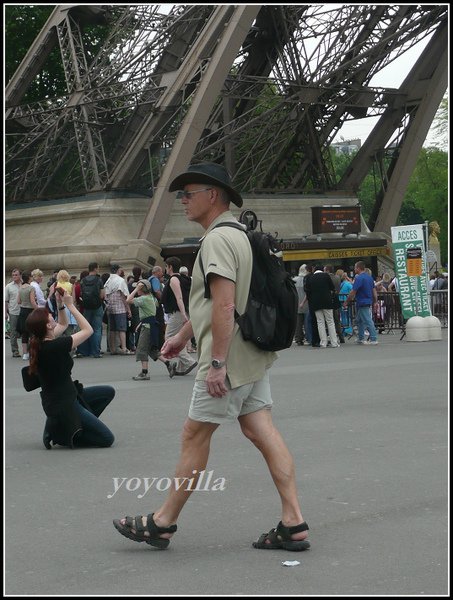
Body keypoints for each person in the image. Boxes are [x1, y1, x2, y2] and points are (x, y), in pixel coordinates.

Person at [113, 162, 310, 551]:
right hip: (251, 351)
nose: (183, 200)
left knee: (195, 433)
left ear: (213, 195)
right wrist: (184, 335)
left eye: (189, 193)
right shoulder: (240, 235)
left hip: (229, 357)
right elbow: (224, 302)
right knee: (260, 429)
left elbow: (223, 306)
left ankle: (162, 521)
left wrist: (216, 363)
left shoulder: (217, 240)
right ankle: (294, 520)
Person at [25, 289, 115, 449]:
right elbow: (88, 330)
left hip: (67, 395)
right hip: (63, 403)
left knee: (107, 392)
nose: (52, 316)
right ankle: (64, 433)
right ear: (47, 325)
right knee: (107, 439)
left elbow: (63, 324)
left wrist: (60, 306)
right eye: (49, 316)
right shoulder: (54, 346)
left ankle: (67, 425)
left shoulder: (39, 342)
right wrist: (71, 306)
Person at [127, 279, 175, 380]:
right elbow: (152, 310)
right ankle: (168, 363)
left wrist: (136, 289)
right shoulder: (152, 298)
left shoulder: (143, 299)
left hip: (147, 327)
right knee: (151, 349)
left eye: (139, 288)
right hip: (150, 324)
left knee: (141, 349)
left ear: (142, 289)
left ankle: (145, 373)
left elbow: (128, 300)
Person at [160, 256, 197, 376]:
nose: (165, 269)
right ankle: (182, 366)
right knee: (181, 338)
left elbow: (179, 297)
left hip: (177, 313)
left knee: (170, 338)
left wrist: (182, 314)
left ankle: (188, 361)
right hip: (183, 311)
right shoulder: (185, 279)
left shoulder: (174, 279)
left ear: (170, 267)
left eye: (166, 266)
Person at [343, 261, 379, 345]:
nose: (354, 269)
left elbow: (353, 291)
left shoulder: (359, 278)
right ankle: (361, 337)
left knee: (367, 320)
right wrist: (375, 301)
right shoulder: (369, 278)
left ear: (358, 268)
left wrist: (346, 301)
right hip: (367, 301)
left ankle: (373, 338)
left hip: (362, 301)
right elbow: (374, 291)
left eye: (355, 267)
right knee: (359, 320)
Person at [304, 266, 339, 348]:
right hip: (327, 301)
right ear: (322, 270)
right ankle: (334, 342)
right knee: (330, 321)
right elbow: (332, 287)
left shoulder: (310, 278)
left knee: (320, 322)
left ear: (314, 270)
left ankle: (323, 342)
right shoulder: (326, 276)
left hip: (315, 302)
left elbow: (307, 290)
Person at [76, 262, 105, 358]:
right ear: (95, 269)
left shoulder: (83, 280)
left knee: (85, 328)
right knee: (96, 329)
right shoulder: (99, 280)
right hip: (97, 306)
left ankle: (84, 351)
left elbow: (81, 294)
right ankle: (96, 352)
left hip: (86, 306)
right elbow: (102, 295)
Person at [104, 264, 132, 355]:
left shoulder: (108, 280)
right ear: (118, 270)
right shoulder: (120, 280)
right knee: (122, 329)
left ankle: (113, 348)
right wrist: (128, 309)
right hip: (120, 307)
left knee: (112, 329)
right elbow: (124, 296)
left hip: (110, 307)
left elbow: (105, 294)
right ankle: (123, 348)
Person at [17, 270, 38, 360]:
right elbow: (33, 301)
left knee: (24, 333)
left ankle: (25, 353)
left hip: (22, 311)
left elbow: (18, 301)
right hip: (30, 311)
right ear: (29, 277)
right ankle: (33, 353)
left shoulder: (20, 287)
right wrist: (38, 309)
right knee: (32, 332)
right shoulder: (31, 288)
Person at [5, 268, 22, 357]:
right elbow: (5, 301)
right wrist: (5, 313)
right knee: (13, 332)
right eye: (13, 275)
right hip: (13, 311)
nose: (14, 277)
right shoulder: (8, 286)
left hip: (23, 311)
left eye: (16, 275)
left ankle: (27, 350)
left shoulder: (24, 284)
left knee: (26, 331)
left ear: (20, 275)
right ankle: (15, 351)